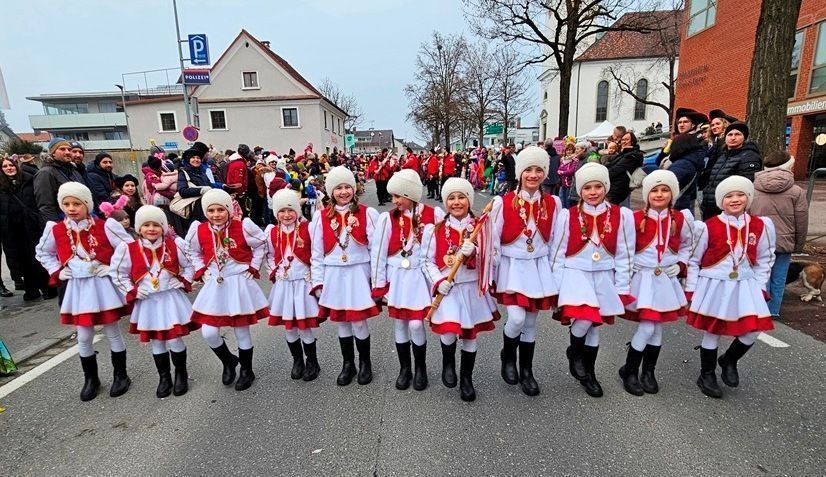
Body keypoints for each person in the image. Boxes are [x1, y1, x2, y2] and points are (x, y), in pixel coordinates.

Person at [35, 182, 134, 401]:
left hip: (102, 285)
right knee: (84, 334)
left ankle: (121, 375)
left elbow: (128, 247)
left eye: (77, 203)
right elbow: (43, 253)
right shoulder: (56, 229)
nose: (71, 208)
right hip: (78, 288)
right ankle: (91, 379)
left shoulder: (105, 226)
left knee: (111, 329)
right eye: (66, 203)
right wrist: (57, 272)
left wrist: (112, 267)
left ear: (87, 205)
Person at [686, 176, 776, 398]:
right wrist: (692, 288)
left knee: (753, 329)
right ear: (720, 201)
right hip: (714, 283)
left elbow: (766, 258)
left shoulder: (761, 225)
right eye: (728, 196)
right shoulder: (708, 227)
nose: (735, 199)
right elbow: (694, 260)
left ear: (748, 198)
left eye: (740, 195)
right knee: (713, 330)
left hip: (746, 283)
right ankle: (706, 374)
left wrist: (760, 285)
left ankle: (729, 360)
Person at [550, 163, 635, 398]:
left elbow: (625, 253)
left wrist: (622, 285)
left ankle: (589, 374)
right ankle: (575, 353)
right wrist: (555, 288)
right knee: (586, 318)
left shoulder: (621, 215)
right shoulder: (568, 215)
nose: (593, 192)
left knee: (595, 327)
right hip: (575, 273)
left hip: (604, 274)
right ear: (580, 190)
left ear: (605, 187)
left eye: (598, 186)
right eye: (587, 187)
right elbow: (557, 252)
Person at [491, 146, 562, 397]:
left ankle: (527, 370)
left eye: (539, 170)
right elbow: (493, 240)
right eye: (528, 170)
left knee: (531, 322)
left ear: (545, 173)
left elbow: (556, 241)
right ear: (520, 173)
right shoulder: (503, 202)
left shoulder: (553, 203)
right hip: (512, 267)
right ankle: (507, 355)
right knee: (517, 319)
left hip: (538, 266)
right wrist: (493, 272)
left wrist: (557, 276)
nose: (533, 175)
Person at [422, 178, 499, 401]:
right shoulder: (434, 229)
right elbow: (426, 262)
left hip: (471, 289)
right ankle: (448, 362)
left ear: (469, 199)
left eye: (462, 197)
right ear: (446, 202)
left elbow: (495, 258)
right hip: (448, 289)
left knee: (469, 335)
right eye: (451, 198)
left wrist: (476, 251)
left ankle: (467, 378)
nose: (457, 202)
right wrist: (438, 282)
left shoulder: (482, 226)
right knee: (447, 331)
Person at [110, 206, 198, 398]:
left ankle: (181, 374)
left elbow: (191, 265)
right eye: (146, 225)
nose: (151, 229)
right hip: (148, 301)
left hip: (170, 298)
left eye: (156, 225)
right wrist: (132, 290)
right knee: (157, 341)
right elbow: (117, 273)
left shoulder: (174, 245)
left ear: (163, 227)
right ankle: (164, 377)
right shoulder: (128, 249)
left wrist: (183, 280)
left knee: (175, 338)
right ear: (139, 228)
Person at [186, 189, 269, 391]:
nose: (216, 214)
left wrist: (253, 266)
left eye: (220, 210)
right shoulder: (199, 230)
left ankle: (247, 370)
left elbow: (261, 245)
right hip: (215, 284)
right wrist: (201, 270)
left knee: (241, 329)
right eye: (211, 210)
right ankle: (228, 361)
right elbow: (192, 251)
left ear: (228, 210)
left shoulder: (243, 226)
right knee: (208, 332)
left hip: (238, 282)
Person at [619, 171, 694, 395]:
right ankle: (631, 370)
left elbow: (689, 246)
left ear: (673, 193)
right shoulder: (632, 219)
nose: (659, 194)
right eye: (654, 190)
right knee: (649, 325)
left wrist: (681, 264)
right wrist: (630, 265)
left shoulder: (682, 219)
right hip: (643, 278)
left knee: (657, 326)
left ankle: (648, 371)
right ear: (646, 194)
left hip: (666, 280)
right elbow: (624, 248)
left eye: (664, 190)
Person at [371, 169, 444, 391]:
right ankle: (405, 368)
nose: (393, 201)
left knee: (416, 322)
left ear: (411, 195)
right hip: (398, 277)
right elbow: (378, 254)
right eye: (392, 196)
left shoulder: (434, 215)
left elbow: (442, 247)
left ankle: (420, 367)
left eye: (397, 196)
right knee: (401, 322)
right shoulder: (387, 219)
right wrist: (378, 285)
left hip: (420, 276)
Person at [310, 166, 380, 386]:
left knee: (359, 321)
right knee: (342, 322)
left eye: (347, 187)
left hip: (359, 273)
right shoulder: (320, 217)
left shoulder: (367, 213)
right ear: (331, 191)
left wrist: (376, 280)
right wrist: (318, 281)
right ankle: (348, 363)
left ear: (354, 188)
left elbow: (376, 250)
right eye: (338, 188)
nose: (343, 192)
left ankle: (365, 363)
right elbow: (316, 253)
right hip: (334, 274)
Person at [265, 189, 322, 382]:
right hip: (284, 284)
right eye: (281, 211)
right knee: (289, 327)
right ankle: (297, 360)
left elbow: (316, 255)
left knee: (304, 325)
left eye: (290, 210)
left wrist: (315, 279)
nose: (286, 215)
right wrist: (274, 271)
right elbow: (269, 255)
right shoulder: (272, 232)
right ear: (276, 213)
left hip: (302, 283)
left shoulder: (308, 229)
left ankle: (312, 361)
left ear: (297, 211)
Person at [750, 151, 808, 319]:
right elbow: (802, 220)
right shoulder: (797, 191)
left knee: (761, 274)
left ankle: (759, 307)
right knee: (779, 277)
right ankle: (773, 310)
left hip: (760, 238)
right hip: (785, 239)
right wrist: (799, 244)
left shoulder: (753, 187)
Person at [0, 157, 51, 300]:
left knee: (38, 259)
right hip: (13, 231)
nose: (9, 168)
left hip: (31, 227)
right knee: (23, 261)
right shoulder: (1, 187)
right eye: (5, 166)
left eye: (11, 165)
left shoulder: (30, 180)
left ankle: (47, 288)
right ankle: (31, 290)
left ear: (16, 166)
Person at [700, 122, 761, 220]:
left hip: (728, 210)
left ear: (744, 138)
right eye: (730, 134)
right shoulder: (723, 155)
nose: (733, 138)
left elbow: (744, 185)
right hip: (710, 206)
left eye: (737, 134)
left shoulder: (749, 156)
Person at [34, 138, 87, 222]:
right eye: (62, 149)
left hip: (80, 221)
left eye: (69, 149)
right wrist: (56, 228)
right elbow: (46, 206)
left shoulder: (74, 171)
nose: (67, 152)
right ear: (53, 153)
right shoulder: (46, 173)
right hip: (63, 222)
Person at [663, 133, 706, 211]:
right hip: (685, 202)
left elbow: (666, 185)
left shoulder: (682, 164)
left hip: (676, 205)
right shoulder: (693, 160)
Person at [177, 147, 217, 226]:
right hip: (193, 211)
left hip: (206, 208)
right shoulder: (183, 173)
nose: (196, 160)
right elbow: (182, 191)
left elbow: (210, 186)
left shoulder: (202, 172)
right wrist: (200, 190)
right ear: (188, 159)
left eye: (198, 158)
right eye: (193, 157)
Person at [605, 131, 644, 206]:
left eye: (626, 139)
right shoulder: (624, 153)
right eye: (622, 139)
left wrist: (603, 174)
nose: (623, 142)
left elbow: (615, 170)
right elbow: (611, 165)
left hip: (619, 190)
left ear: (632, 141)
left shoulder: (633, 155)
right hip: (614, 188)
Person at [557, 143, 578, 207]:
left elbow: (571, 171)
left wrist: (562, 172)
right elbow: (559, 169)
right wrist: (560, 172)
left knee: (567, 202)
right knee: (561, 201)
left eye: (570, 150)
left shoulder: (574, 160)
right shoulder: (563, 160)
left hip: (569, 183)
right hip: (562, 183)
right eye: (567, 150)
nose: (568, 151)